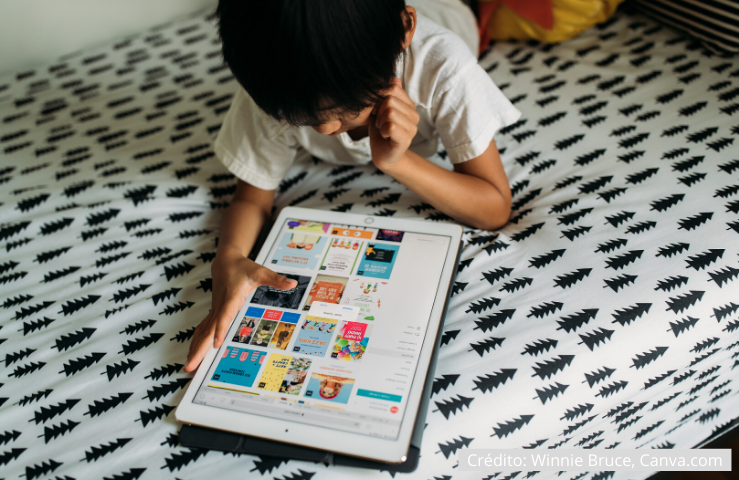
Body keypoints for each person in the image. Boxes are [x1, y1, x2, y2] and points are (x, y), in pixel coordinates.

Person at [185, 0, 520, 372]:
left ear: (405, 29)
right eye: (304, 120)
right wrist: (228, 257)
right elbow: (250, 197)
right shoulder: (276, 86)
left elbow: (494, 207)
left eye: (344, 109)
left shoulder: (445, 64)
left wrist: (398, 162)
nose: (326, 130)